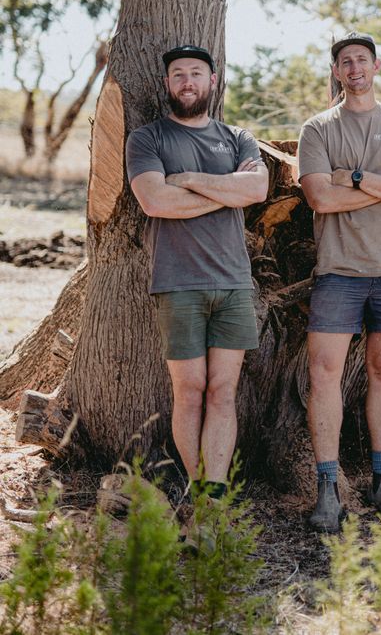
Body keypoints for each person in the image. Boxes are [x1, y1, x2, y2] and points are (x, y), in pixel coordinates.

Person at [298, 32, 381, 532]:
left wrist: (351, 178)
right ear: (336, 72)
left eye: (362, 60)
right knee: (324, 375)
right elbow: (320, 200)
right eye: (344, 61)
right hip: (338, 272)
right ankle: (327, 489)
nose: (354, 68)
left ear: (376, 66)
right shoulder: (317, 130)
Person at [125, 44, 269, 500]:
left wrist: (185, 178)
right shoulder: (147, 139)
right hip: (179, 283)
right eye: (179, 74)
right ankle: (195, 486)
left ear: (212, 80)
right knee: (189, 391)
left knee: (222, 392)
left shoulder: (237, 138)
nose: (188, 82)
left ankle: (215, 492)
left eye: (196, 73)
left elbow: (259, 188)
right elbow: (154, 201)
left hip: (233, 283)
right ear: (167, 83)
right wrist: (229, 191)